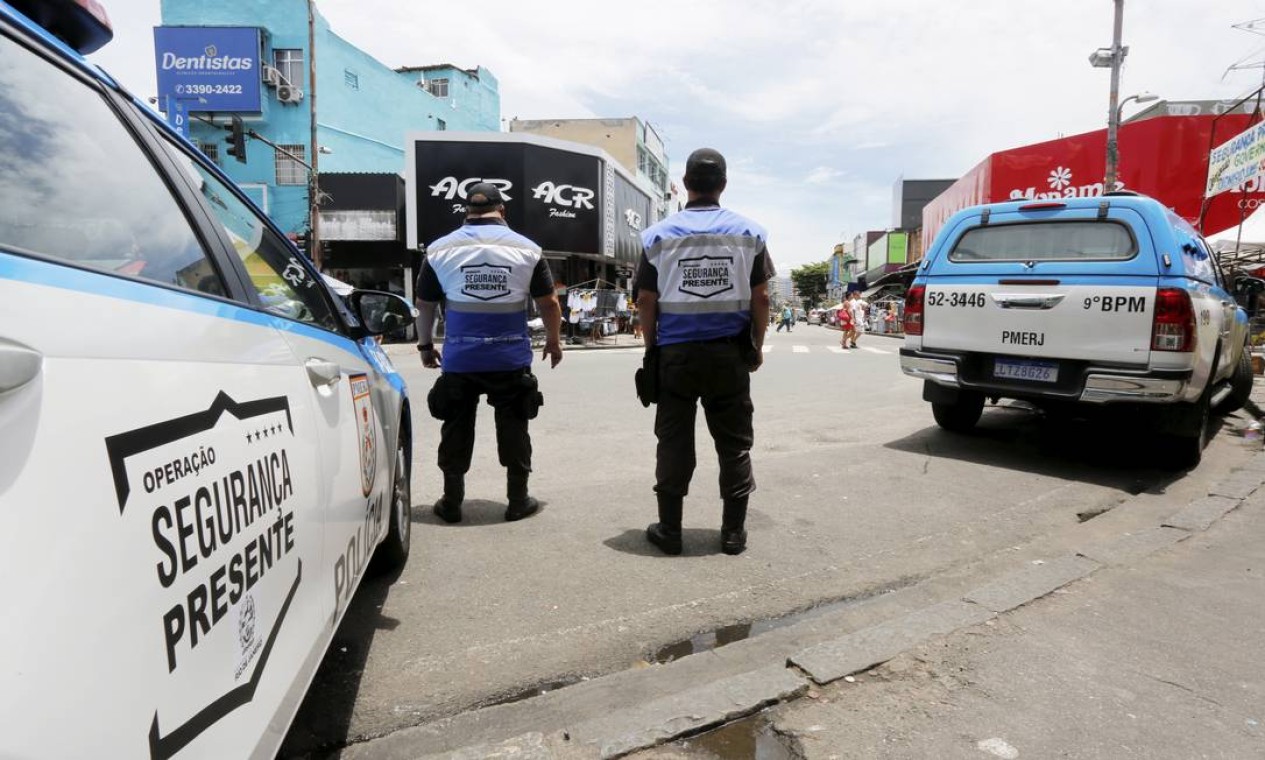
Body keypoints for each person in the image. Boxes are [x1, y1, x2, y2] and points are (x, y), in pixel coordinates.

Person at [634, 148, 774, 556]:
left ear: (687, 183)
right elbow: (761, 298)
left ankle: (670, 531)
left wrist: (651, 348)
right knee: (734, 445)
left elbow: (645, 299)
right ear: (723, 185)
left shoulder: (658, 236)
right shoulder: (749, 234)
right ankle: (732, 533)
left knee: (674, 443)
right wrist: (757, 346)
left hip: (676, 357)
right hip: (728, 356)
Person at [415, 182, 564, 524]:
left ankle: (451, 502)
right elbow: (549, 303)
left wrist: (425, 346)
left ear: (466, 210)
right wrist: (554, 341)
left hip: (459, 360)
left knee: (456, 427)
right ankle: (517, 500)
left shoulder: (438, 250)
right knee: (514, 427)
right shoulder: (527, 249)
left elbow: (424, 305)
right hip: (509, 359)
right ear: (503, 210)